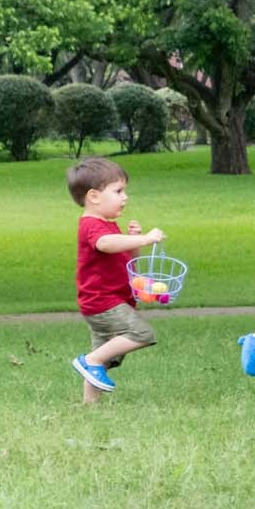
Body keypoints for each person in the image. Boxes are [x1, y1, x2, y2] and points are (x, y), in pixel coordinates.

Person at [66, 156, 166, 402]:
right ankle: (89, 361)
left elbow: (123, 256)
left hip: (107, 300)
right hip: (103, 302)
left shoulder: (108, 224)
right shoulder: (92, 225)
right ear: (94, 196)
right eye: (118, 190)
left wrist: (134, 241)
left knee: (104, 357)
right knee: (141, 334)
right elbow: (105, 244)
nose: (125, 197)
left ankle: (90, 407)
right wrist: (145, 239)